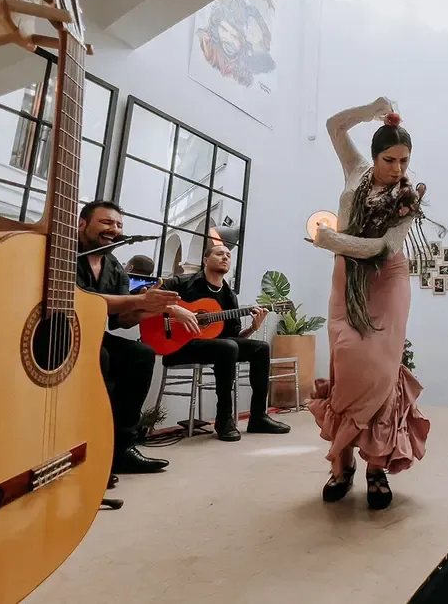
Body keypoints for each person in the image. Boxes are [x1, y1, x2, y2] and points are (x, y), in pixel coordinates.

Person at [307, 97, 430, 511]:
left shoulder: (408, 196)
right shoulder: (355, 170)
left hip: (387, 279)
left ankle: (376, 465)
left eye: (404, 160)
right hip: (348, 281)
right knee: (346, 362)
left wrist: (331, 239)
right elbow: (334, 126)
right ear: (375, 155)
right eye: (390, 159)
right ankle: (341, 465)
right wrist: (371, 109)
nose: (398, 168)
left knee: (379, 369)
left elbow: (383, 247)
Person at [76, 201, 179, 476]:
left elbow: (119, 321)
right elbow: (81, 301)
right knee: (102, 356)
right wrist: (138, 300)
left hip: (94, 335)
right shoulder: (65, 253)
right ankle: (88, 451)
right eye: (106, 222)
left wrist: (145, 309)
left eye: (119, 225)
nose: (114, 229)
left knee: (141, 353)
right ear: (82, 224)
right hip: (59, 332)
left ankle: (121, 449)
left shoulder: (113, 266)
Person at [160, 243, 290, 441]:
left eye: (228, 255)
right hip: (178, 345)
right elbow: (148, 294)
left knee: (260, 348)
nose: (225, 257)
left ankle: (258, 417)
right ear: (205, 260)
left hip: (217, 347)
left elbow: (236, 338)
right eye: (220, 254)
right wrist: (176, 310)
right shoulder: (182, 283)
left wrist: (253, 327)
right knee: (227, 347)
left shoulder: (229, 296)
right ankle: (224, 419)